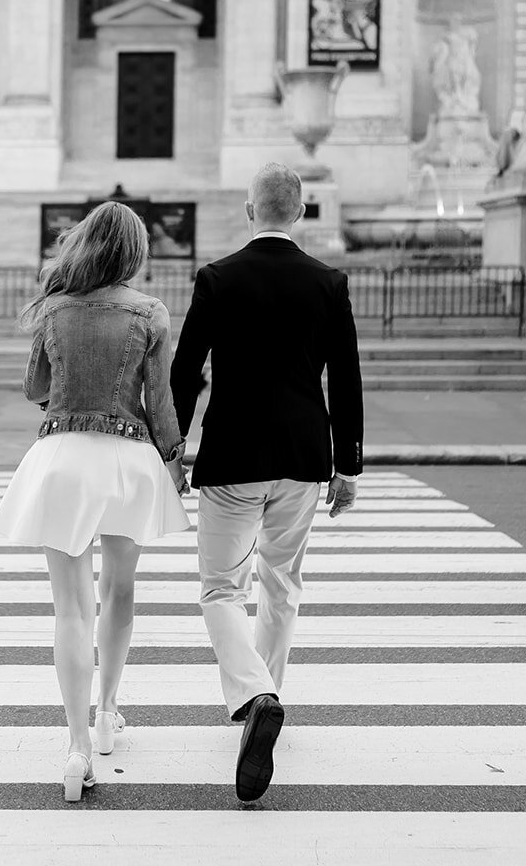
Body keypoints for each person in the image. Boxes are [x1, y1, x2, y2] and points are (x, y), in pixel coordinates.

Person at [170, 162, 364, 803]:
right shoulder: (328, 282)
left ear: (249, 212)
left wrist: (172, 448)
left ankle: (257, 696)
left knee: (221, 587)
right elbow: (347, 380)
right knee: (282, 583)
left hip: (233, 455)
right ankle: (266, 698)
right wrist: (348, 463)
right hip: (303, 456)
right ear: (300, 214)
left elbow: (184, 371)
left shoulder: (218, 279)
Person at [0, 201, 190, 801]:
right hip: (127, 458)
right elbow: (161, 403)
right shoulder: (150, 312)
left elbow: (35, 388)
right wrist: (174, 459)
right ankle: (107, 712)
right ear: (134, 252)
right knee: (119, 592)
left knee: (69, 608)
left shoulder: (53, 308)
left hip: (63, 456)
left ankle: (77, 747)